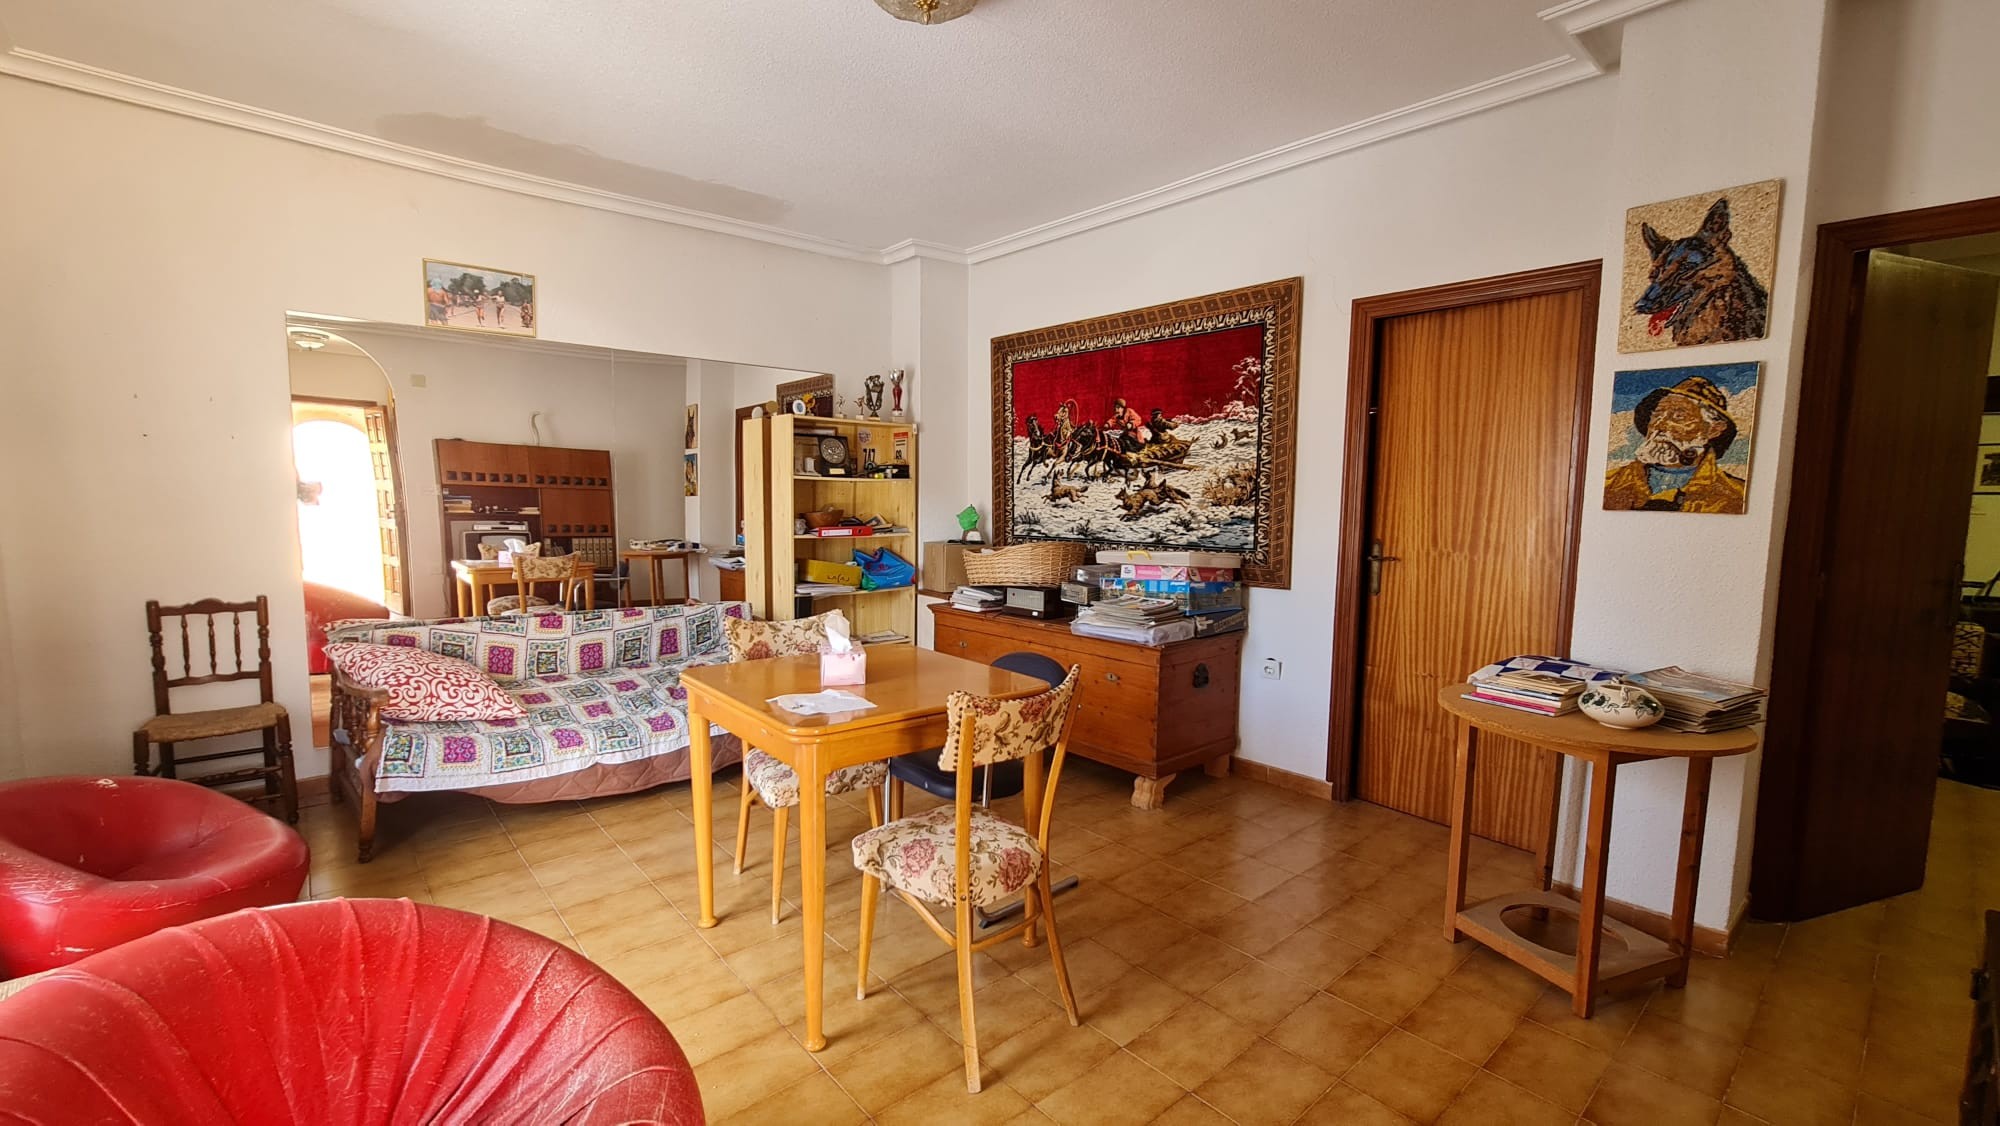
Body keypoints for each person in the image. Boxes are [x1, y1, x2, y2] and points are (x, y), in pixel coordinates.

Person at [1603, 374, 1747, 514]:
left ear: (1714, 430)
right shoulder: (1608, 484)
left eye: (1679, 416)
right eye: (1657, 415)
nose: (1659, 425)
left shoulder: (1735, 496)